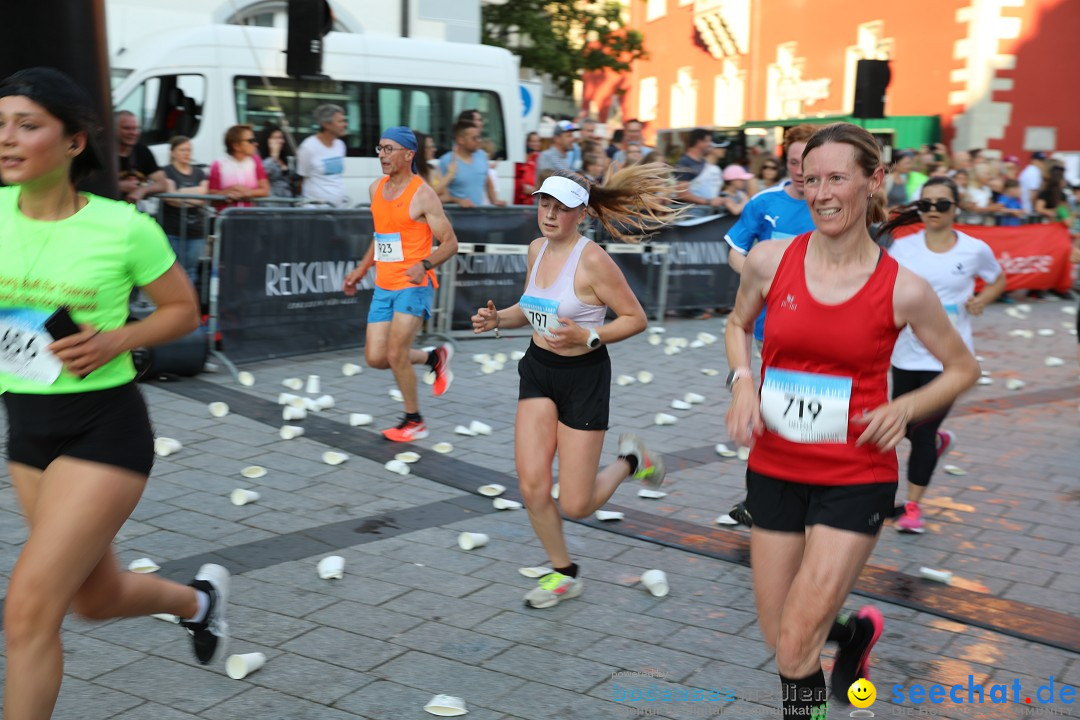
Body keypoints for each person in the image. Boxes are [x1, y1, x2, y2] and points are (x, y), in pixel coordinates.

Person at [724, 122, 979, 718]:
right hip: (774, 466)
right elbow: (737, 326)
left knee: (793, 645)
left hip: (853, 474)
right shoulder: (769, 260)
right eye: (810, 180)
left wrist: (905, 407)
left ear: (874, 181)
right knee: (780, 633)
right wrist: (742, 382)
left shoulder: (903, 289)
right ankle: (854, 637)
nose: (821, 193)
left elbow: (962, 368)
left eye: (837, 177)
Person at [0, 67, 230, 719]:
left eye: (27, 125)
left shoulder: (122, 227)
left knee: (28, 612)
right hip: (28, 431)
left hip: (104, 428)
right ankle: (198, 602)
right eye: (0, 124)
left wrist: (115, 339)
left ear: (74, 142)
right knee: (93, 599)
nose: (7, 139)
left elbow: (183, 312)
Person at [470, 166, 678, 608]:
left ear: (581, 213)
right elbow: (530, 310)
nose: (549, 213)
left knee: (578, 504)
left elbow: (635, 318)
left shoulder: (594, 260)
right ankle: (563, 572)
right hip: (539, 370)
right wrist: (497, 320)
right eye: (544, 203)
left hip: (584, 378)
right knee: (531, 486)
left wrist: (589, 336)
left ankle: (631, 460)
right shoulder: (535, 249)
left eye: (561, 207)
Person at [881, 177, 1005, 533]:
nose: (933, 210)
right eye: (927, 204)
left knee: (920, 431)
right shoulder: (902, 248)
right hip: (905, 354)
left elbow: (997, 279)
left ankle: (913, 507)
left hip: (950, 359)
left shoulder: (974, 249)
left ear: (956, 208)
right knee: (902, 424)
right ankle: (938, 442)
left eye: (942, 204)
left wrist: (982, 299)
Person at [342, 127, 457, 441]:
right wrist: (361, 269)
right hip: (384, 285)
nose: (382, 155)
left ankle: (414, 420)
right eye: (380, 148)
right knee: (376, 357)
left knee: (395, 353)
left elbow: (450, 243)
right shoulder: (375, 189)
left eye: (389, 149)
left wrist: (425, 264)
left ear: (409, 154)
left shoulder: (422, 194)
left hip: (415, 285)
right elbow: (381, 238)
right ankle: (434, 357)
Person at [161, 135, 209, 284]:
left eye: (189, 150)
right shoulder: (165, 171)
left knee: (191, 271)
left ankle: (189, 306)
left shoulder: (200, 172)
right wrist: (195, 197)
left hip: (196, 232)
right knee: (170, 270)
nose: (187, 153)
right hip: (172, 230)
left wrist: (180, 193)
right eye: (182, 150)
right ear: (172, 152)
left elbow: (205, 196)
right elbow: (169, 198)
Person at [297, 103, 348, 207]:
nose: (344, 124)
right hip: (316, 210)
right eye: (340, 121)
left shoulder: (340, 145)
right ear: (326, 124)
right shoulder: (308, 147)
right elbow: (302, 178)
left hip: (337, 208)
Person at [207, 124, 270, 207]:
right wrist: (227, 192)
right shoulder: (218, 164)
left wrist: (248, 193)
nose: (255, 144)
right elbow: (211, 199)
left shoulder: (256, 161)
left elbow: (265, 191)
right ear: (236, 146)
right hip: (226, 217)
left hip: (250, 216)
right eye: (251, 141)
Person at [115, 109, 167, 205]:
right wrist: (117, 186)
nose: (133, 133)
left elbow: (162, 184)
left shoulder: (142, 150)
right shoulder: (102, 152)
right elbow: (86, 184)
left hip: (129, 214)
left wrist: (141, 191)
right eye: (127, 128)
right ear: (113, 129)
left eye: (135, 128)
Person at [439, 120, 491, 208]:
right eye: (474, 138)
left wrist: (495, 201)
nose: (479, 141)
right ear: (461, 140)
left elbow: (488, 182)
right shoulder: (447, 160)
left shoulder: (482, 156)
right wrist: (458, 201)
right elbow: (440, 195)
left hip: (478, 216)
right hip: (456, 218)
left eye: (479, 137)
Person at [674, 128, 725, 217]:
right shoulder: (684, 162)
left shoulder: (703, 162)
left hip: (706, 212)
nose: (710, 144)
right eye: (708, 141)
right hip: (691, 214)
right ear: (699, 142)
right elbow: (682, 194)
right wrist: (708, 201)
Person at [259, 124, 295, 198]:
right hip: (270, 203)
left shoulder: (285, 158)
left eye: (281, 138)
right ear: (267, 140)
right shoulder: (260, 158)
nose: (281, 141)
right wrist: (274, 155)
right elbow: (264, 173)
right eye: (276, 138)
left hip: (287, 203)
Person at [514, 131, 542, 205]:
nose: (536, 144)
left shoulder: (541, 158)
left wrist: (535, 190)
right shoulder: (521, 157)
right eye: (533, 141)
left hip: (535, 199)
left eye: (537, 141)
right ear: (527, 143)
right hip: (521, 199)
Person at [1018, 151, 1049, 215]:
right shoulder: (1034, 172)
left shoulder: (1029, 170)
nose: (1041, 162)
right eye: (1039, 160)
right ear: (1032, 160)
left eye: (1043, 160)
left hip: (1024, 208)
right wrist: (1036, 209)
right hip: (1028, 210)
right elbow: (1033, 195)